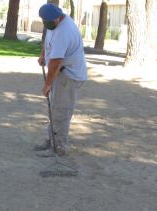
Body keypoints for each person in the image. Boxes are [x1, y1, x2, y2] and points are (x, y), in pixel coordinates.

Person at [34, 3, 87, 156]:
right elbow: (48, 38)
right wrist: (44, 54)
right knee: (55, 108)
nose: (46, 24)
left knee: (61, 111)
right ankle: (51, 140)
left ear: (58, 18)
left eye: (49, 21)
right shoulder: (52, 25)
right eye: (44, 21)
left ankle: (59, 147)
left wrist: (47, 84)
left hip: (68, 75)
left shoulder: (64, 31)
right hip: (61, 72)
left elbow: (56, 62)